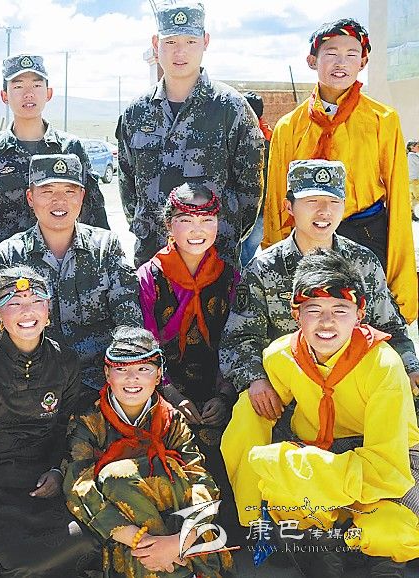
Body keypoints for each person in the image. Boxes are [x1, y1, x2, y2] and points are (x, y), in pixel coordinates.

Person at [221, 250, 419, 577]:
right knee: (272, 467)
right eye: (314, 310)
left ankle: (362, 548)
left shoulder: (384, 365)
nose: (326, 322)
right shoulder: (282, 355)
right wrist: (253, 506)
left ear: (360, 314)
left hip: (383, 462)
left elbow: (387, 470)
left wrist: (299, 466)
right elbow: (250, 420)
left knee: (391, 532)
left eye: (340, 310)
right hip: (322, 452)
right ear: (296, 314)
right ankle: (319, 541)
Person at [220, 160, 419, 421]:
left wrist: (410, 368)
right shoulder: (264, 268)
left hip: (356, 392)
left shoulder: (363, 262)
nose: (324, 212)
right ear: (289, 206)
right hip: (290, 398)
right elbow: (240, 338)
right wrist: (256, 380)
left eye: (334, 202)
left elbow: (390, 328)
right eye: (312, 201)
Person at [0, 266, 97, 577]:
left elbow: (69, 429)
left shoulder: (64, 362)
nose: (27, 312)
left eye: (36, 301)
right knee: (18, 559)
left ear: (48, 309)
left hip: (41, 486)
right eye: (14, 303)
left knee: (84, 542)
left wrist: (58, 471)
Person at [262, 18, 417, 324]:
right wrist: (276, 259)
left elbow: (399, 198)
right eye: (331, 53)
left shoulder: (382, 120)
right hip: (307, 235)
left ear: (363, 62)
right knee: (313, 321)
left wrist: (401, 280)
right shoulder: (289, 127)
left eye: (351, 54)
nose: (341, 63)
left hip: (365, 233)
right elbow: (278, 202)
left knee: (363, 322)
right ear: (312, 60)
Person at [64, 326, 233, 577]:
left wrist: (178, 541)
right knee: (115, 477)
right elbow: (79, 486)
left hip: (176, 524)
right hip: (123, 529)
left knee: (171, 475)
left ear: (159, 375)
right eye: (121, 369)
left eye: (144, 369)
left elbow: (200, 479)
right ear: (107, 374)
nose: (132, 379)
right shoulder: (89, 420)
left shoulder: (171, 419)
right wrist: (142, 542)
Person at [117, 0, 264, 267]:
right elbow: (128, 187)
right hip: (153, 258)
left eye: (191, 41)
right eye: (171, 42)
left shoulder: (231, 108)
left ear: (205, 41)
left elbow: (250, 191)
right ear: (156, 44)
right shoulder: (136, 112)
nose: (180, 51)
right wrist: (150, 227)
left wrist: (226, 233)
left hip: (215, 260)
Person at [0, 154, 141, 406]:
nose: (59, 201)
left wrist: (124, 381)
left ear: (81, 197)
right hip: (33, 387)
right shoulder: (10, 254)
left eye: (70, 191)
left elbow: (130, 324)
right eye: (47, 191)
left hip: (99, 387)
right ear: (30, 197)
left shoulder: (106, 247)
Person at [136, 183, 239, 536]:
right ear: (169, 225)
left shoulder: (230, 277)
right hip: (162, 391)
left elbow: (235, 341)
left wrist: (224, 396)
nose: (197, 230)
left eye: (207, 220)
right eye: (185, 220)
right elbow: (145, 345)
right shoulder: (149, 278)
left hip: (217, 390)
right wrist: (170, 394)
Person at [0, 54, 109, 250]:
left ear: (48, 93)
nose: (28, 94)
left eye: (36, 85)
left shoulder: (71, 149)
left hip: (65, 264)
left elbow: (94, 214)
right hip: (10, 264)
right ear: (4, 96)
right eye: (18, 86)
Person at [240, 91, 272, 265]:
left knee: (241, 253)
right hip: (262, 208)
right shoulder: (271, 137)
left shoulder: (238, 138)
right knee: (250, 252)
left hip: (241, 208)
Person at [408, 139, 419, 222]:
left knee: (413, 199)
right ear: (412, 147)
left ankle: (411, 214)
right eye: (417, 146)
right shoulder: (412, 156)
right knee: (417, 197)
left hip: (411, 180)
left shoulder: (410, 156)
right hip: (415, 181)